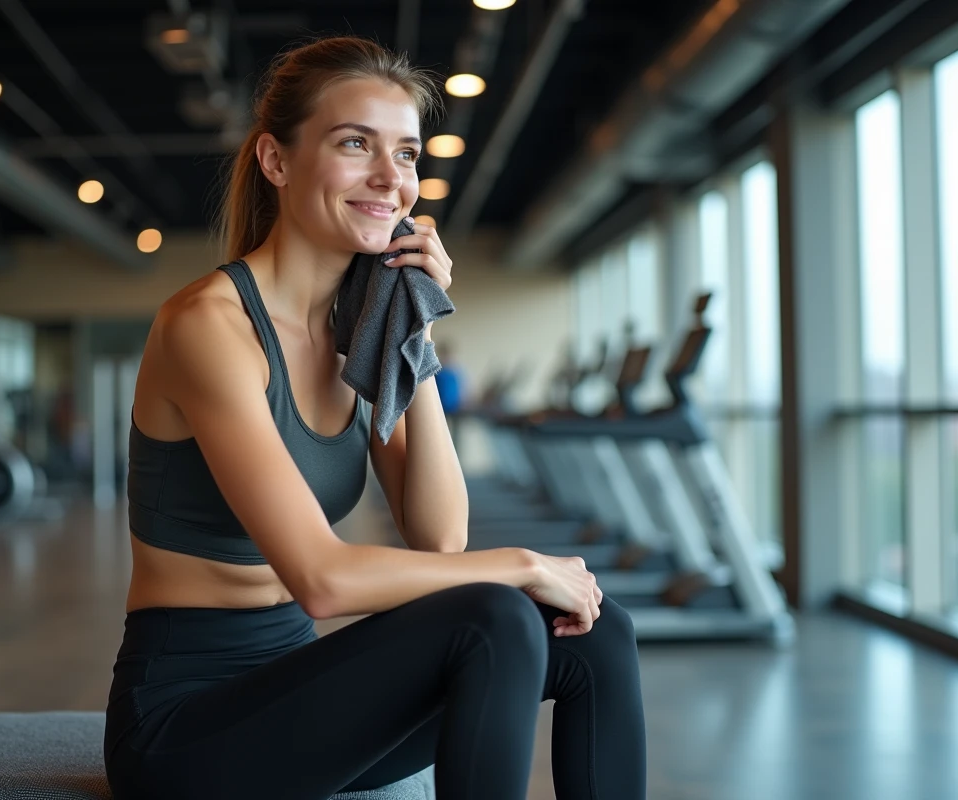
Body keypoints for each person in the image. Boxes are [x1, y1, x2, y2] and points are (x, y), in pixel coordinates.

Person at [104, 35, 646, 800]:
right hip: (182, 731)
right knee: (495, 613)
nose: (392, 178)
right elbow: (322, 581)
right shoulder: (209, 326)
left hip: (291, 688)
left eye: (407, 153)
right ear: (276, 160)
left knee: (596, 632)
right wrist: (526, 564)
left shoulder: (356, 329)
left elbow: (440, 538)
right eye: (356, 143)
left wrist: (413, 324)